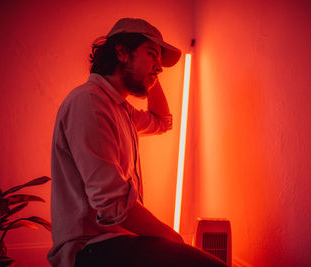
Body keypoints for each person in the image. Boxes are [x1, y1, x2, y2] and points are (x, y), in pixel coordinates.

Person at [48, 18, 226, 267]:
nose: (159, 68)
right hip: (90, 249)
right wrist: (171, 236)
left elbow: (162, 121)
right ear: (121, 51)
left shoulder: (120, 109)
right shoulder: (89, 103)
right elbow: (112, 205)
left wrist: (150, 71)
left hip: (117, 242)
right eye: (152, 54)